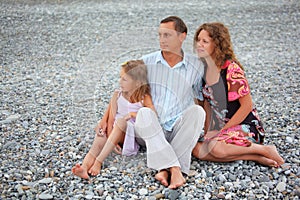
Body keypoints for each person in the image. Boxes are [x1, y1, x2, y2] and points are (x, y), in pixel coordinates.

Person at [192, 22, 284, 167]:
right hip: (220, 129)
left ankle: (264, 149)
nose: (199, 44)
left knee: (214, 147)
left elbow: (247, 106)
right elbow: (207, 105)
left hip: (244, 125)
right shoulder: (202, 70)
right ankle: (256, 157)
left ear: (217, 44)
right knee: (196, 150)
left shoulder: (231, 70)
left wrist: (223, 130)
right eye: (198, 40)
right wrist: (208, 131)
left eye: (205, 41)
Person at [134, 16, 206, 189]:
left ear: (182, 36)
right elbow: (130, 92)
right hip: (151, 129)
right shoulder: (146, 61)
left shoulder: (196, 65)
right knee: (144, 113)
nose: (162, 40)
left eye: (167, 35)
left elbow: (202, 98)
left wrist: (209, 130)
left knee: (198, 112)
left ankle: (163, 168)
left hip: (178, 129)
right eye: (160, 35)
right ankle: (176, 169)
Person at [72, 60, 155, 179]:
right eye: (120, 78)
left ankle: (98, 162)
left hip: (129, 134)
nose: (119, 81)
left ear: (137, 83)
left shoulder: (144, 98)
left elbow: (152, 113)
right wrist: (108, 133)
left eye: (124, 79)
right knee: (99, 140)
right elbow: (110, 119)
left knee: (121, 122)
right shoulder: (117, 94)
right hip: (113, 131)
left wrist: (132, 114)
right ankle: (84, 167)